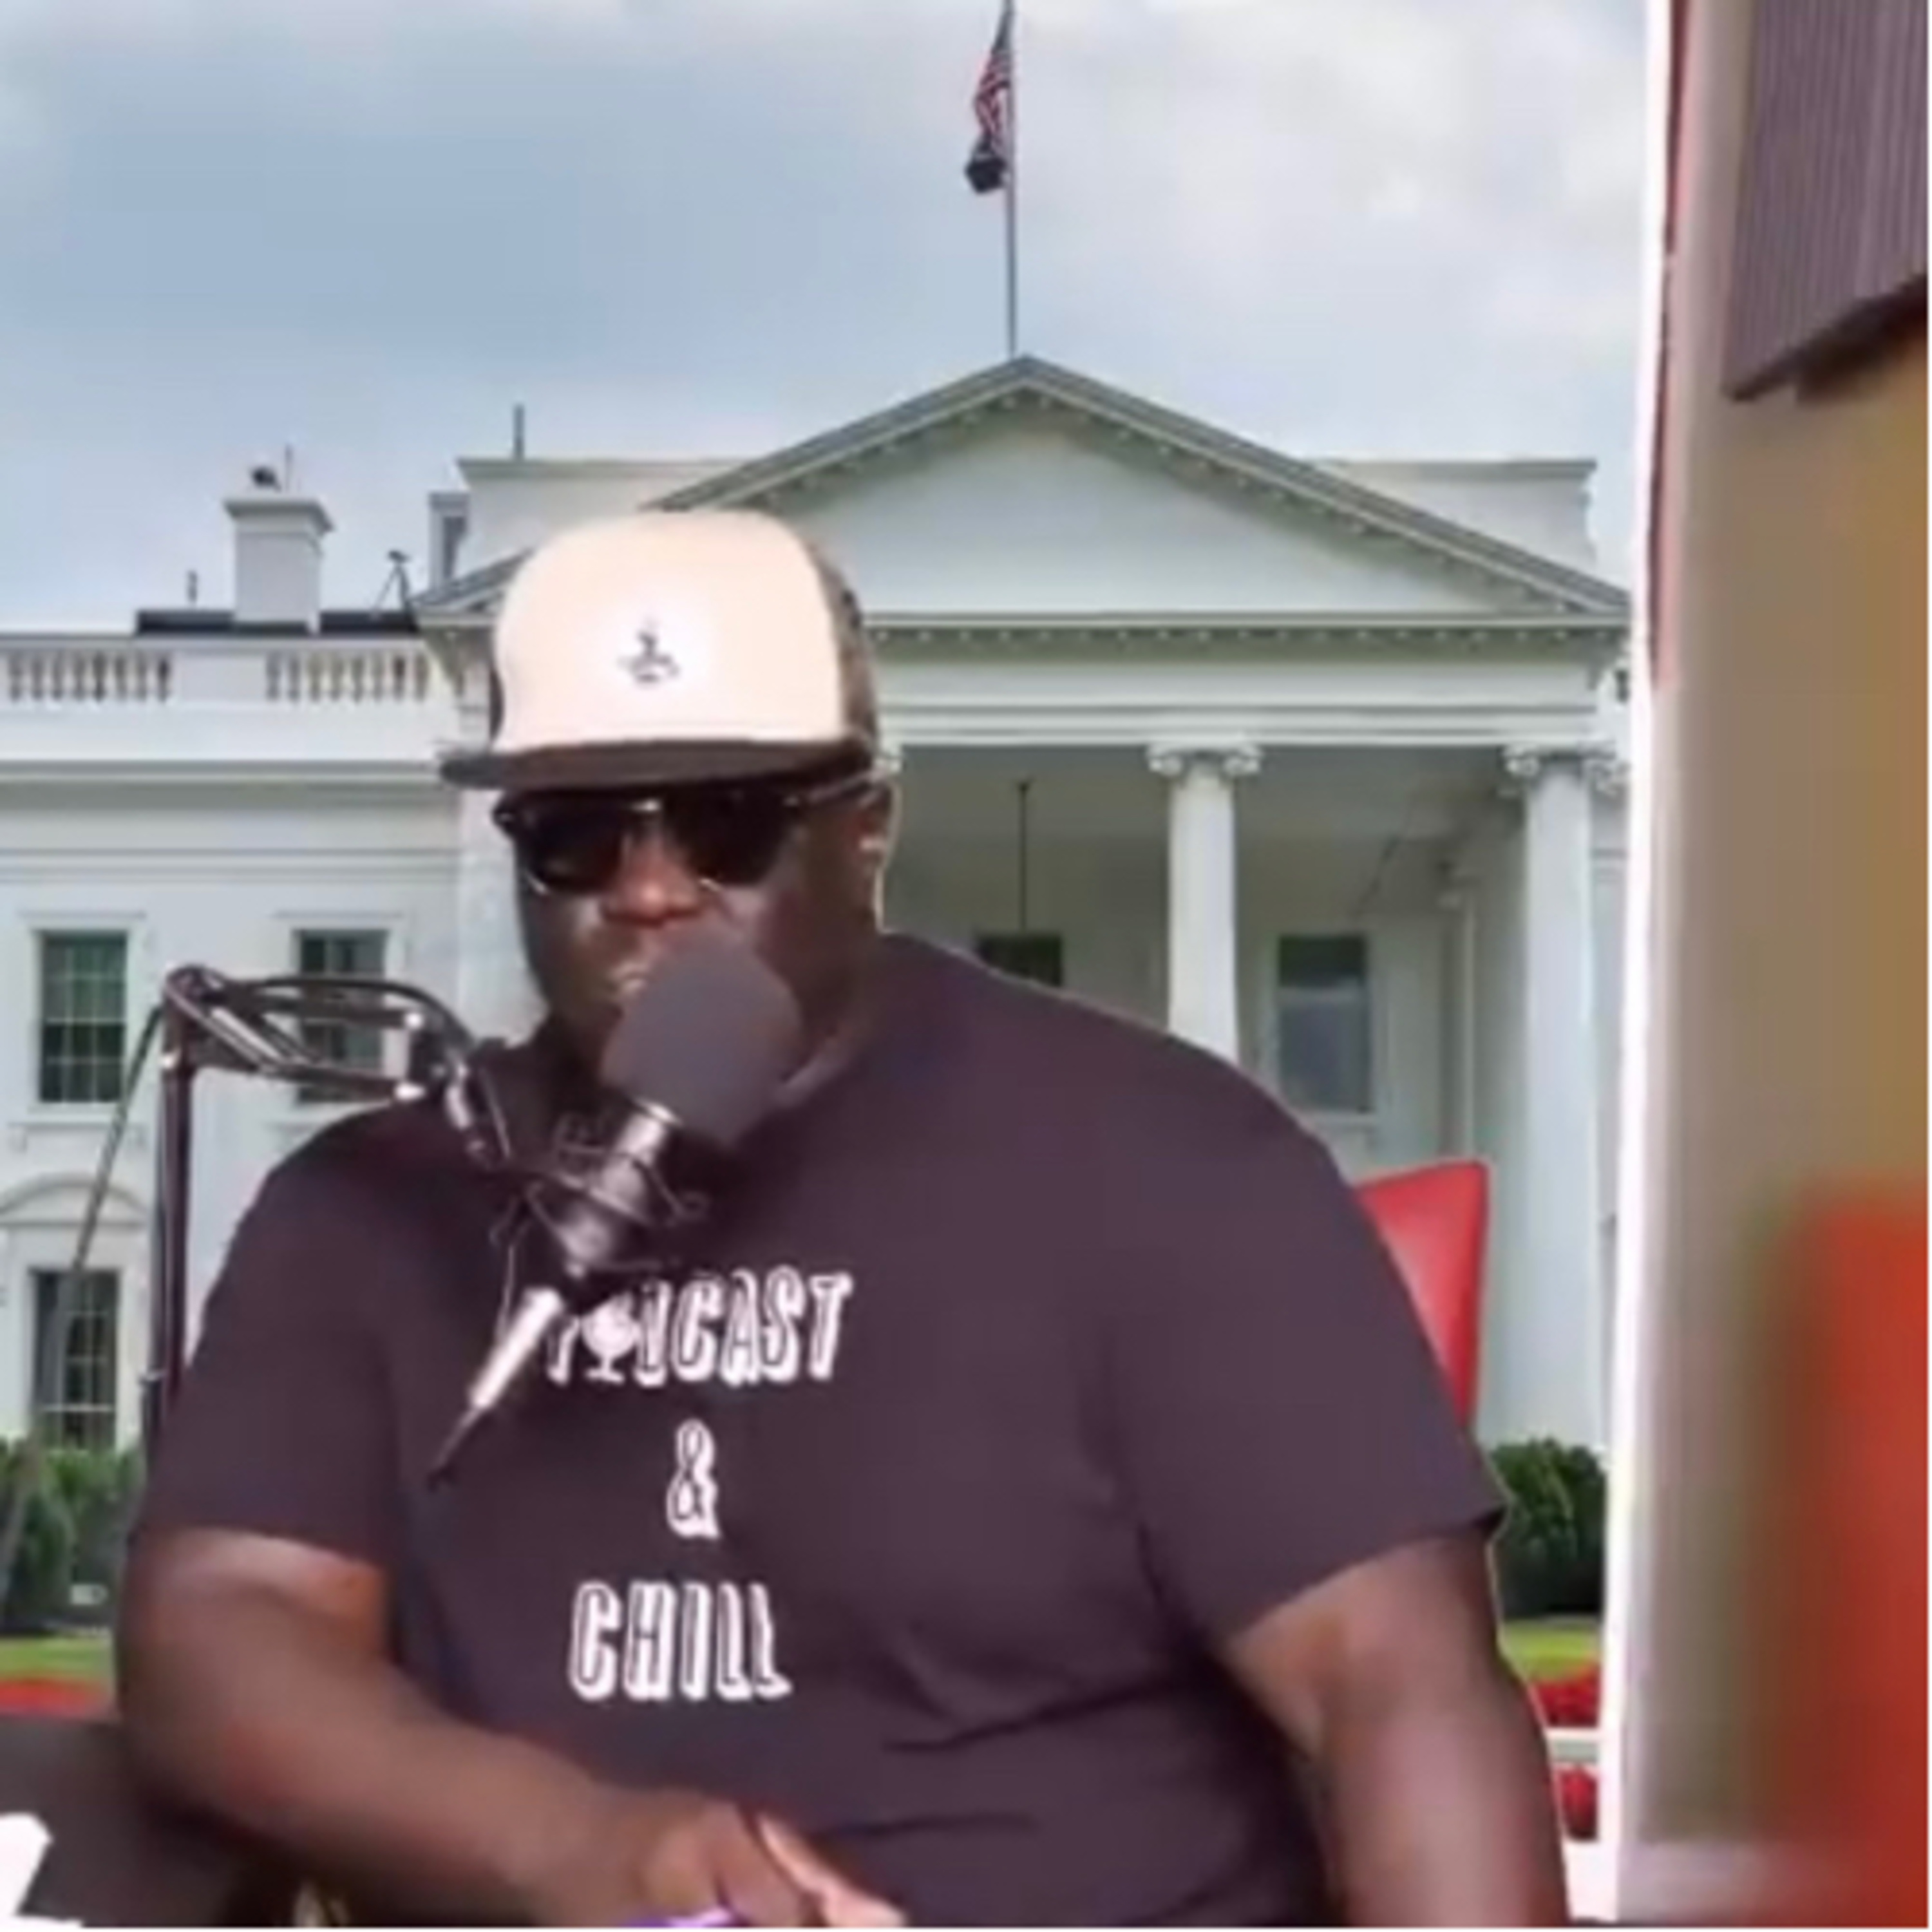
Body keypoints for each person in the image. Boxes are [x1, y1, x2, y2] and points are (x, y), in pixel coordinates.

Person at [118, 509, 1568, 1927]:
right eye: (572, 835)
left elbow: (1399, 1687)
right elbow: (220, 1622)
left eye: (728, 823)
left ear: (866, 830)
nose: (648, 890)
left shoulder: (1171, 1166)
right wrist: (560, 1849)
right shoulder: (376, 1201)